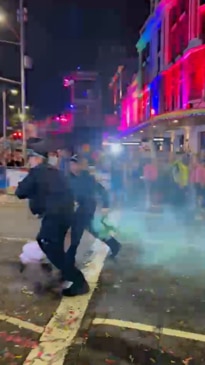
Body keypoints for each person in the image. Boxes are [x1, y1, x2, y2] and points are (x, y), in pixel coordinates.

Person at [15, 148, 89, 297]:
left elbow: (20, 192)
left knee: (48, 244)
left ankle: (78, 281)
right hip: (66, 214)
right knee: (55, 246)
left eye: (30, 158)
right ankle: (64, 272)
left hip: (55, 215)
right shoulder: (56, 172)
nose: (29, 160)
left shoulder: (37, 171)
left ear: (37, 159)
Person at [66, 155, 121, 272]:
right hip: (75, 209)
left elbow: (102, 191)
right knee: (92, 230)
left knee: (77, 232)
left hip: (86, 208)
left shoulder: (88, 178)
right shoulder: (68, 178)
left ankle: (69, 259)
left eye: (75, 164)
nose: (73, 167)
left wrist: (106, 205)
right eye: (71, 164)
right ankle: (114, 244)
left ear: (80, 165)